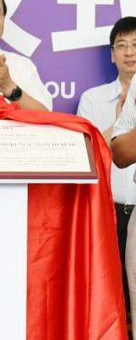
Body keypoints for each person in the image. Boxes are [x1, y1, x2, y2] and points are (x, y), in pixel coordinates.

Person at [78, 16, 136, 322]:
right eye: (122, 45)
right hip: (107, 209)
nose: (129, 52)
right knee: (109, 298)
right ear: (112, 54)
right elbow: (87, 155)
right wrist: (120, 119)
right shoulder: (93, 98)